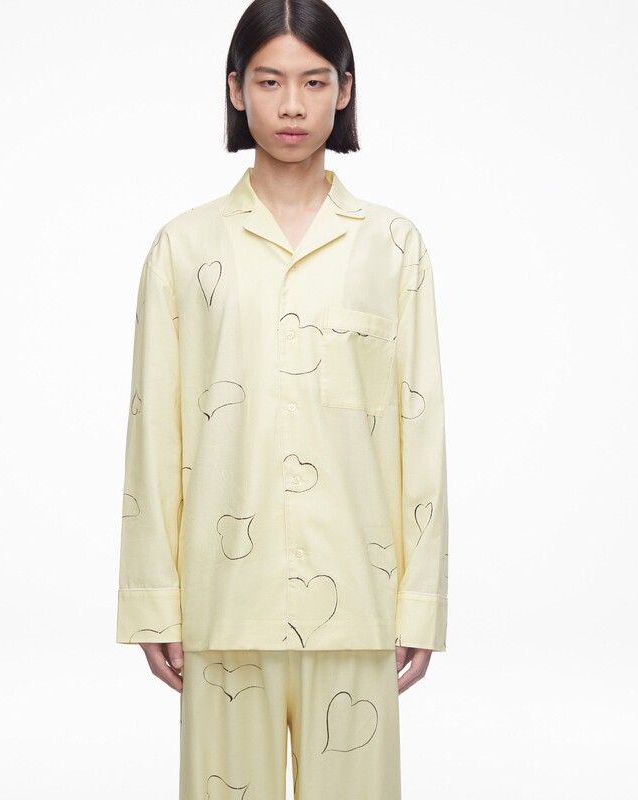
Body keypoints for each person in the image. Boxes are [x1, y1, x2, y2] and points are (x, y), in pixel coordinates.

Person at [115, 1, 449, 796]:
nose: (291, 105)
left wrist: (420, 602)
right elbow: (154, 434)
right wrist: (155, 601)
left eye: (313, 81)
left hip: (357, 603)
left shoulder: (392, 246)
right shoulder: (184, 248)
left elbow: (421, 431)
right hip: (224, 603)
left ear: (345, 89)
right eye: (269, 82)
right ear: (236, 89)